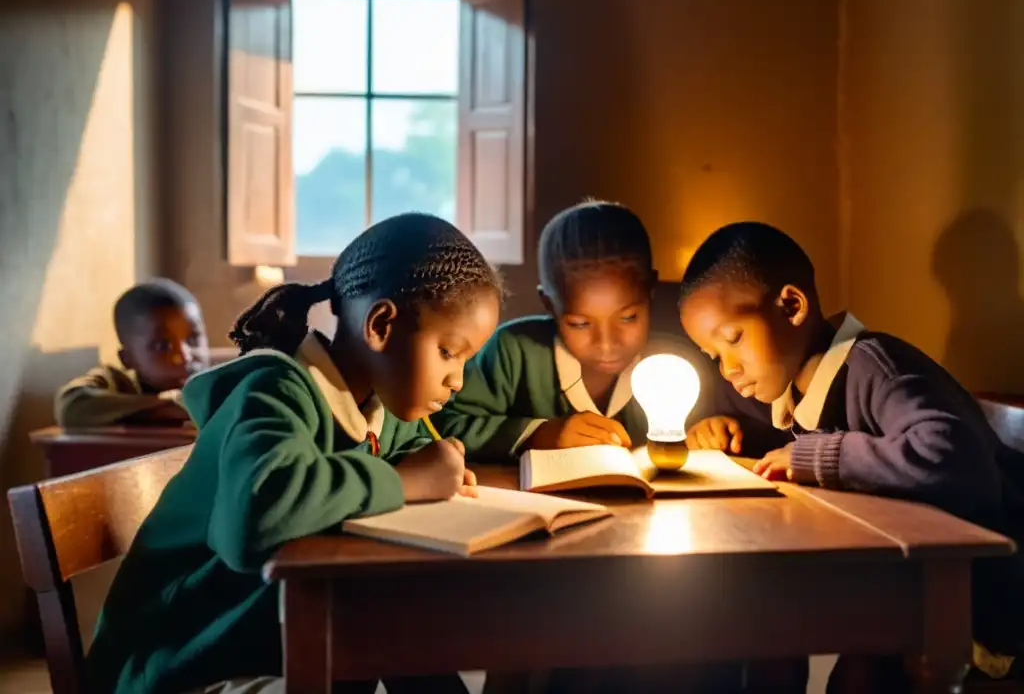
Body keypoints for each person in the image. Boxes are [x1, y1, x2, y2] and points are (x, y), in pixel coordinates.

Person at [85, 214, 503, 694]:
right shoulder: (274, 391)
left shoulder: (373, 413)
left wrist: (431, 468)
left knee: (391, 614)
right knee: (374, 615)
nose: (458, 380)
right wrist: (408, 483)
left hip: (271, 643)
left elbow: (396, 458)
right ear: (382, 325)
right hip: (175, 667)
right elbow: (254, 519)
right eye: (450, 352)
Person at [678, 221, 1024, 692]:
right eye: (713, 355)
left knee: (842, 669)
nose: (728, 368)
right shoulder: (800, 391)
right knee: (771, 640)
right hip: (907, 583)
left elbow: (958, 460)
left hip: (987, 602)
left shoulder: (874, 365)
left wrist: (817, 456)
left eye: (733, 338)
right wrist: (725, 430)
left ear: (791, 306)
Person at [437, 200, 741, 693]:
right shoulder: (515, 352)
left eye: (628, 317)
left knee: (680, 637)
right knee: (531, 648)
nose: (607, 343)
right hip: (539, 558)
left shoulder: (677, 359)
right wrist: (541, 432)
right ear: (548, 304)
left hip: (648, 556)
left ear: (651, 290)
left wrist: (712, 430)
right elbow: (446, 421)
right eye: (580, 323)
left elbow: (706, 422)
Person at [55, 278, 209, 427]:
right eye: (162, 345)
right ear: (127, 359)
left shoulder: (216, 378)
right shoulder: (117, 382)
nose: (184, 356)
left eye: (193, 339)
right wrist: (168, 406)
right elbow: (72, 404)